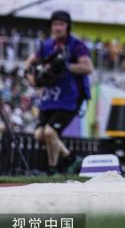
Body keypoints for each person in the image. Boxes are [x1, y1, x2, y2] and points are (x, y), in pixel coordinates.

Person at [24, 11, 93, 175]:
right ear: (51, 26)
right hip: (49, 98)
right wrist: (31, 78)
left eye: (61, 24)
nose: (58, 27)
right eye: (55, 24)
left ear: (68, 27)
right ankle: (70, 158)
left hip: (71, 97)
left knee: (49, 132)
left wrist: (67, 66)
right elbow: (28, 64)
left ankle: (52, 169)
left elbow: (88, 68)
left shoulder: (76, 45)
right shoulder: (46, 45)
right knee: (40, 135)